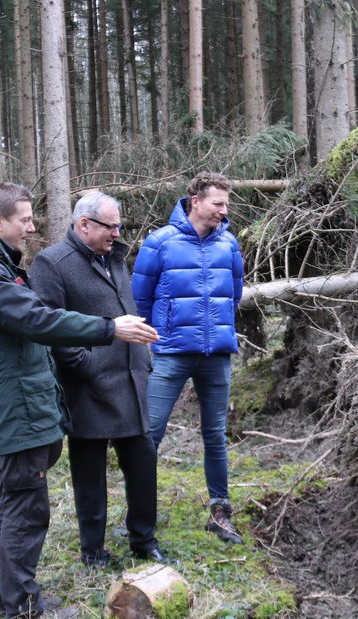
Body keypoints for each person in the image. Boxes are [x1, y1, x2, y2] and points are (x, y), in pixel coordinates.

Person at [0, 183, 158, 619]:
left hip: (25, 401)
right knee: (26, 507)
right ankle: (23, 608)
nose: (31, 227)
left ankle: (12, 600)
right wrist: (108, 329)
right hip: (16, 404)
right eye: (24, 219)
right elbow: (36, 318)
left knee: (18, 503)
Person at [30, 191, 169, 568]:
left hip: (132, 383)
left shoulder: (117, 259)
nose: (117, 232)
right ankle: (93, 552)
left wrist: (142, 358)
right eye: (111, 226)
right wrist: (89, 366)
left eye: (120, 225)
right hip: (87, 390)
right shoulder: (51, 264)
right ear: (83, 224)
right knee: (89, 478)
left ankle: (144, 540)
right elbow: (51, 328)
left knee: (143, 464)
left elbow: (126, 311)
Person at [131, 172, 245, 546]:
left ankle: (220, 513)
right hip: (171, 354)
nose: (223, 211)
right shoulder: (159, 242)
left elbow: (235, 295)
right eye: (218, 204)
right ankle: (138, 516)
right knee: (150, 435)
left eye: (226, 204)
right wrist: (156, 336)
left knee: (215, 436)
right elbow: (140, 300)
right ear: (195, 201)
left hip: (216, 357)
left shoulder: (228, 244)